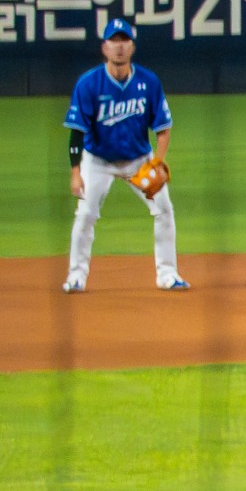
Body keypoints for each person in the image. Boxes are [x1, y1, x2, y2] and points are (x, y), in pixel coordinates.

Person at [64, 18, 186, 295]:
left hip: (138, 159)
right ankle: (76, 276)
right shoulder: (89, 84)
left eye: (124, 41)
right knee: (85, 214)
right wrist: (75, 172)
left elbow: (163, 129)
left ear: (132, 47)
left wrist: (157, 162)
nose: (119, 47)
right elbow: (76, 133)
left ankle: (168, 274)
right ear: (104, 47)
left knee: (164, 209)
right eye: (114, 41)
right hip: (97, 161)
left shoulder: (148, 82)